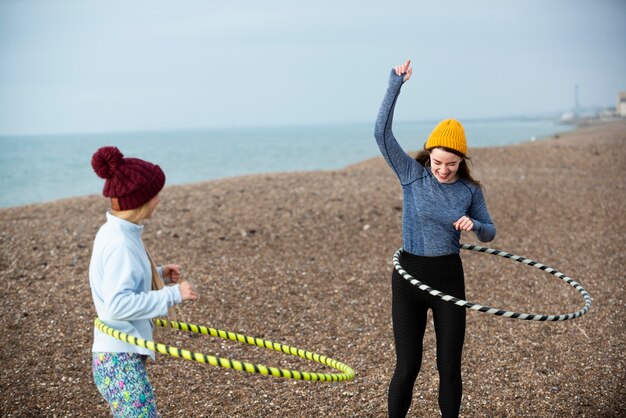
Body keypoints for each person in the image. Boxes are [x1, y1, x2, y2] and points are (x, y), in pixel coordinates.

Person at [374, 60, 496, 418]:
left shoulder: (469, 191)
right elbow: (381, 134)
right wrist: (395, 84)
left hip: (448, 279)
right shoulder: (412, 175)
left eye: (451, 165)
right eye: (438, 162)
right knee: (407, 366)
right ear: (428, 155)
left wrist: (473, 224)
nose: (443, 170)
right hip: (409, 278)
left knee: (449, 367)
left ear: (461, 162)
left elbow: (490, 232)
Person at [89, 146, 199, 417]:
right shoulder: (121, 244)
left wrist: (158, 274)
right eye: (154, 194)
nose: (159, 199)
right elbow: (117, 304)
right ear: (139, 200)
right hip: (118, 359)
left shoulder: (117, 231)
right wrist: (172, 295)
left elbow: (121, 279)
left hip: (117, 356)